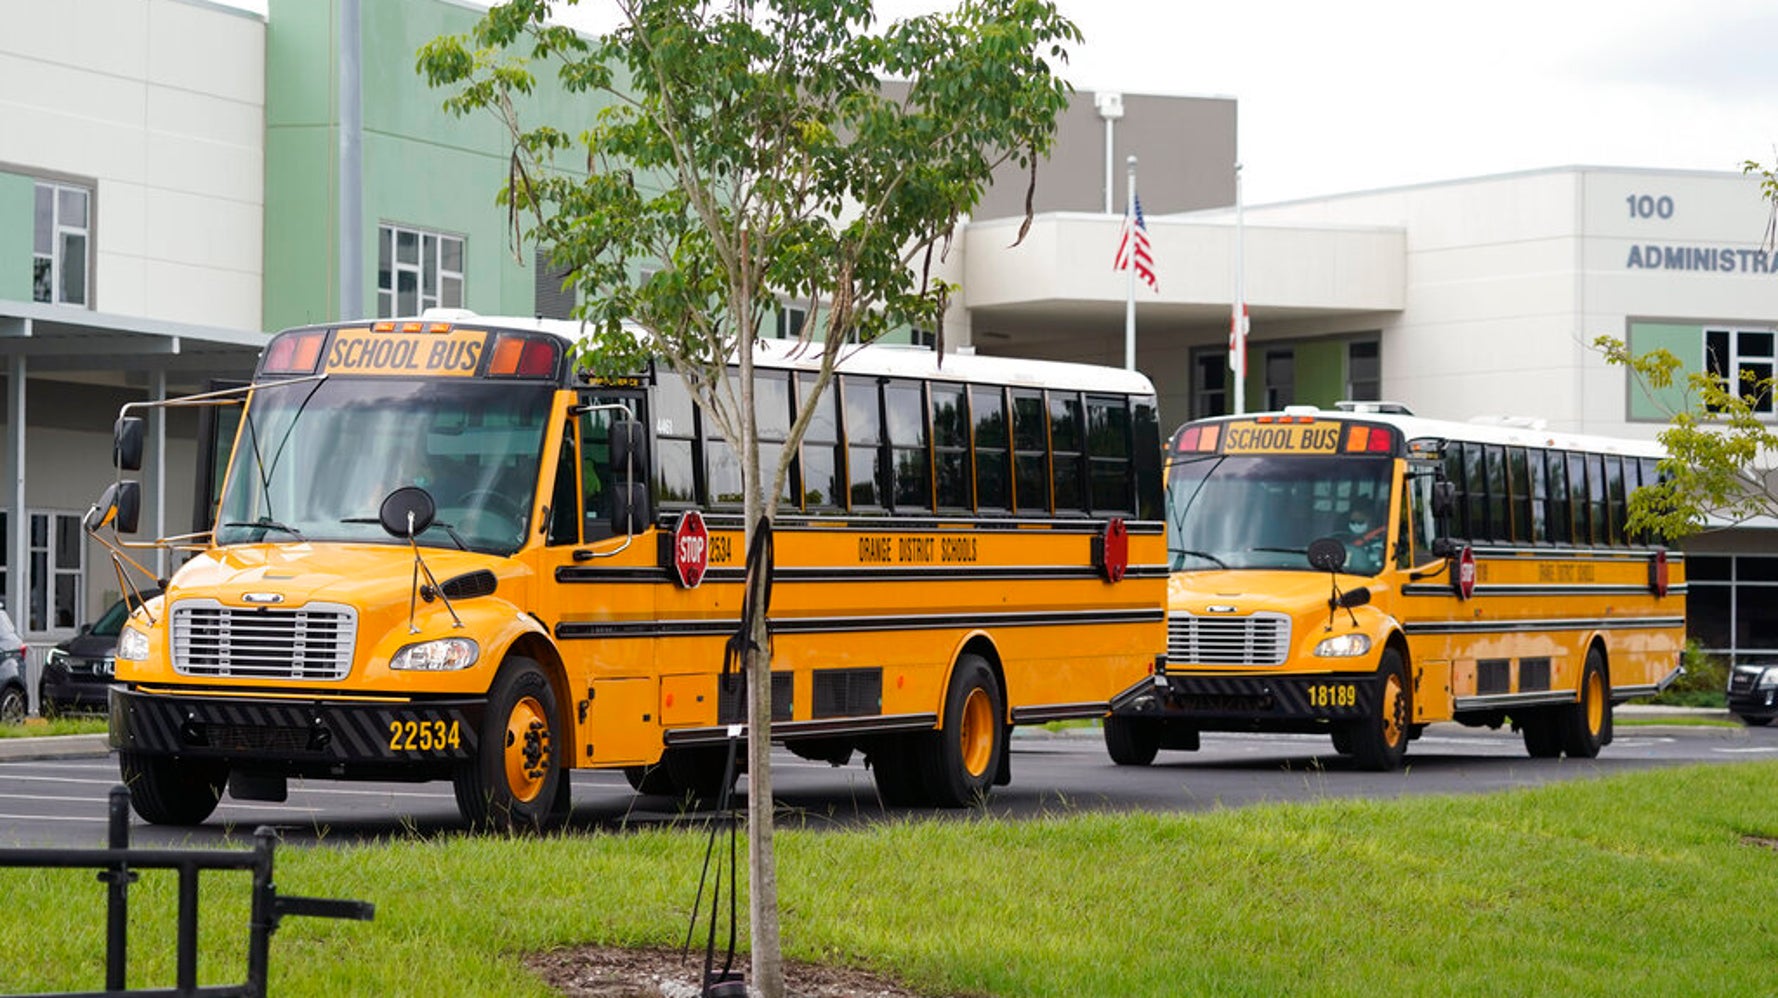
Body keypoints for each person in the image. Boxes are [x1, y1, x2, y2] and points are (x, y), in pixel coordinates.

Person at [1339, 501, 1388, 572]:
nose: (1356, 525)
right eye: (1353, 522)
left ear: (1370, 521)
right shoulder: (1342, 538)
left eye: (1360, 522)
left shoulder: (1378, 543)